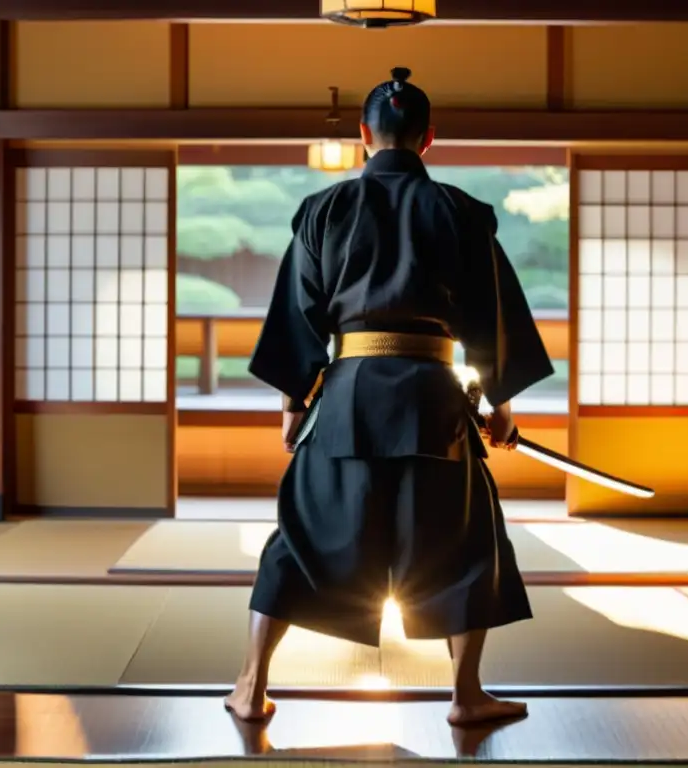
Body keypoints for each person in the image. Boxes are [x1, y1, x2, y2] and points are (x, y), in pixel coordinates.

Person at [224, 67, 554, 727]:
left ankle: (250, 686)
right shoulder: (461, 213)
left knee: (301, 538)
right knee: (466, 543)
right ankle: (464, 698)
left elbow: (299, 315)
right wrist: (500, 405)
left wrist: (294, 405)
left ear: (362, 135)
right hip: (433, 405)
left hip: (344, 402)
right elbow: (492, 318)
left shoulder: (323, 211)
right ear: (429, 139)